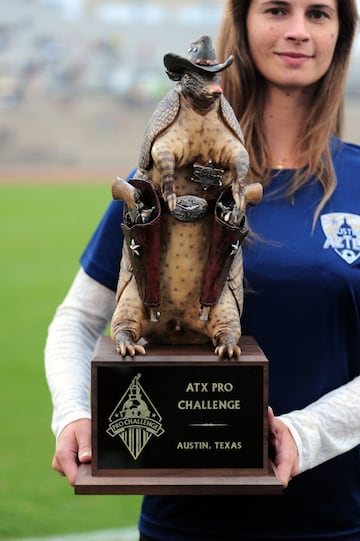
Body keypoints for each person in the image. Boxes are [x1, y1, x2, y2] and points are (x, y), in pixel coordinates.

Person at [45, 0, 360, 539]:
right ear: (241, 26)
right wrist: (73, 414)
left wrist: (304, 436)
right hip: (183, 522)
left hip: (337, 520)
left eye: (319, 14)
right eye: (278, 9)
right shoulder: (161, 177)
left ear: (340, 35)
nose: (298, 31)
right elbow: (77, 319)